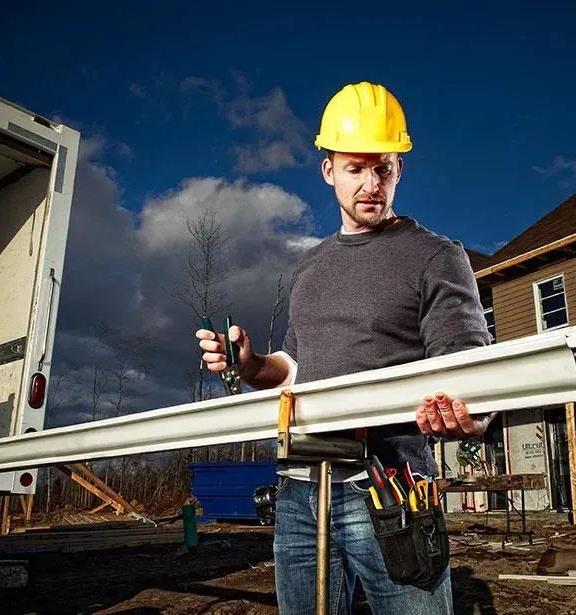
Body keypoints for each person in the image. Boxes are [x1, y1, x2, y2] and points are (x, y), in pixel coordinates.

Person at [195, 81, 494, 614]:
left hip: (387, 489)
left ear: (399, 168)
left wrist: (469, 417)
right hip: (297, 491)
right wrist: (246, 362)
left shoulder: (435, 256)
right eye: (355, 168)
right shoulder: (310, 266)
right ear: (328, 170)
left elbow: (470, 369)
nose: (370, 184)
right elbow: (291, 368)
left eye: (382, 168)